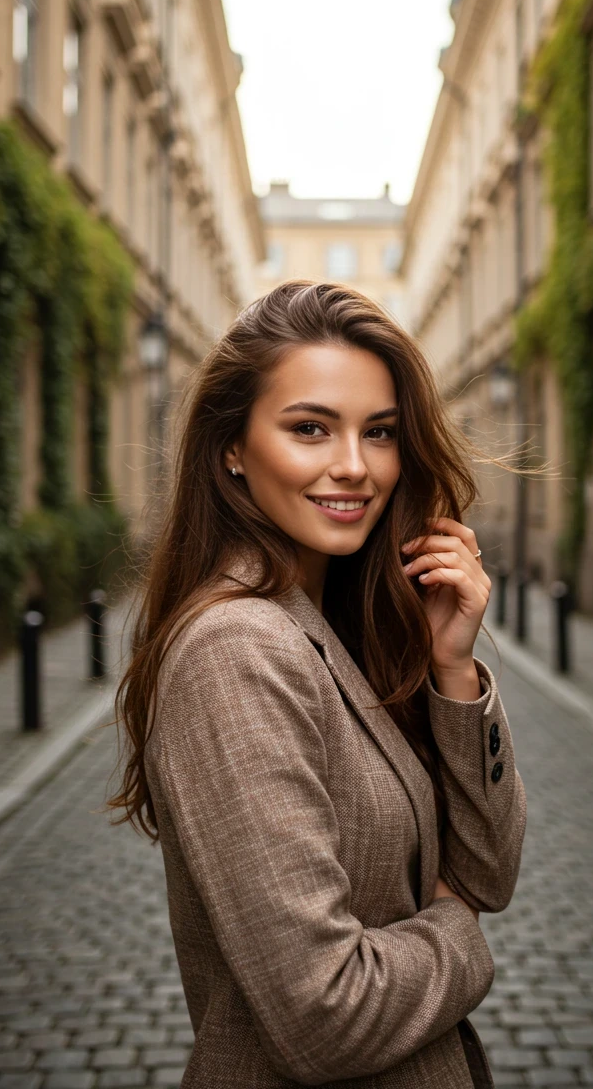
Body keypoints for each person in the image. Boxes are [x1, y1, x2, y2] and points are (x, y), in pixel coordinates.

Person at [107, 280, 528, 1087]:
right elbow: (326, 1013)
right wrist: (460, 932)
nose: (353, 467)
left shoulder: (337, 623)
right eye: (310, 429)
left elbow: (488, 871)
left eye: (380, 433)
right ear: (232, 447)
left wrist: (452, 670)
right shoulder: (238, 648)